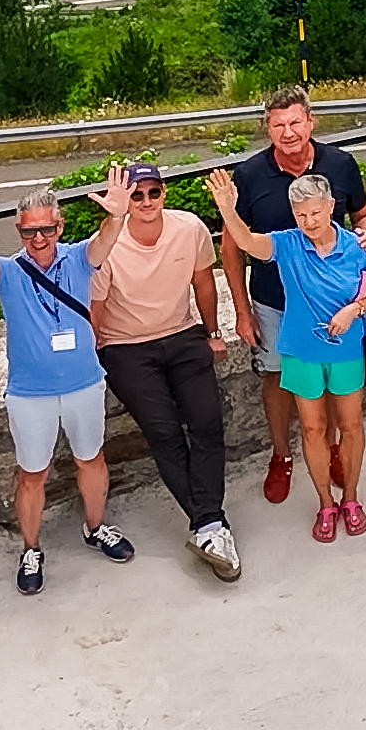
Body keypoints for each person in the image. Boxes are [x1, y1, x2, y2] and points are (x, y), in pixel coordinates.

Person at [0, 178, 126, 595]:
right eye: (30, 231)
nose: (39, 238)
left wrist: (117, 214)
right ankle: (31, 548)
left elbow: (105, 241)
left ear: (60, 228)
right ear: (19, 232)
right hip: (30, 392)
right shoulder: (9, 273)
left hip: (83, 382)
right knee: (32, 474)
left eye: (47, 229)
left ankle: (96, 527)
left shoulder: (79, 259)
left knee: (91, 460)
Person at [82, 161, 243, 581]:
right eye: (136, 195)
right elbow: (94, 311)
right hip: (126, 347)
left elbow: (203, 282)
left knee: (208, 424)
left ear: (164, 194)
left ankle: (207, 525)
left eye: (153, 192)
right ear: (126, 201)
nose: (146, 201)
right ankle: (211, 525)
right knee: (166, 433)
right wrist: (92, 361)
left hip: (184, 334)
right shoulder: (107, 246)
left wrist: (213, 333)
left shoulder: (188, 228)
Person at [207, 167, 366, 543]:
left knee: (351, 426)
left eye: (316, 214)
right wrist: (227, 208)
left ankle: (351, 498)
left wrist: (353, 310)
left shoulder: (355, 246)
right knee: (312, 428)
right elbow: (247, 243)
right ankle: (325, 503)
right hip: (301, 351)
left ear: (332, 207)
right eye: (302, 215)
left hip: (346, 349)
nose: (309, 222)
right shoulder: (288, 243)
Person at [226, 84, 366, 500]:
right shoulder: (250, 174)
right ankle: (281, 456)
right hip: (274, 302)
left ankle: (329, 452)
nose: (288, 132)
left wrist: (365, 235)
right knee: (276, 378)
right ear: (268, 129)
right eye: (278, 125)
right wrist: (241, 309)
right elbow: (234, 243)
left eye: (295, 122)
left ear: (311, 121)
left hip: (333, 303)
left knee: (328, 386)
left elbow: (364, 212)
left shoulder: (341, 164)